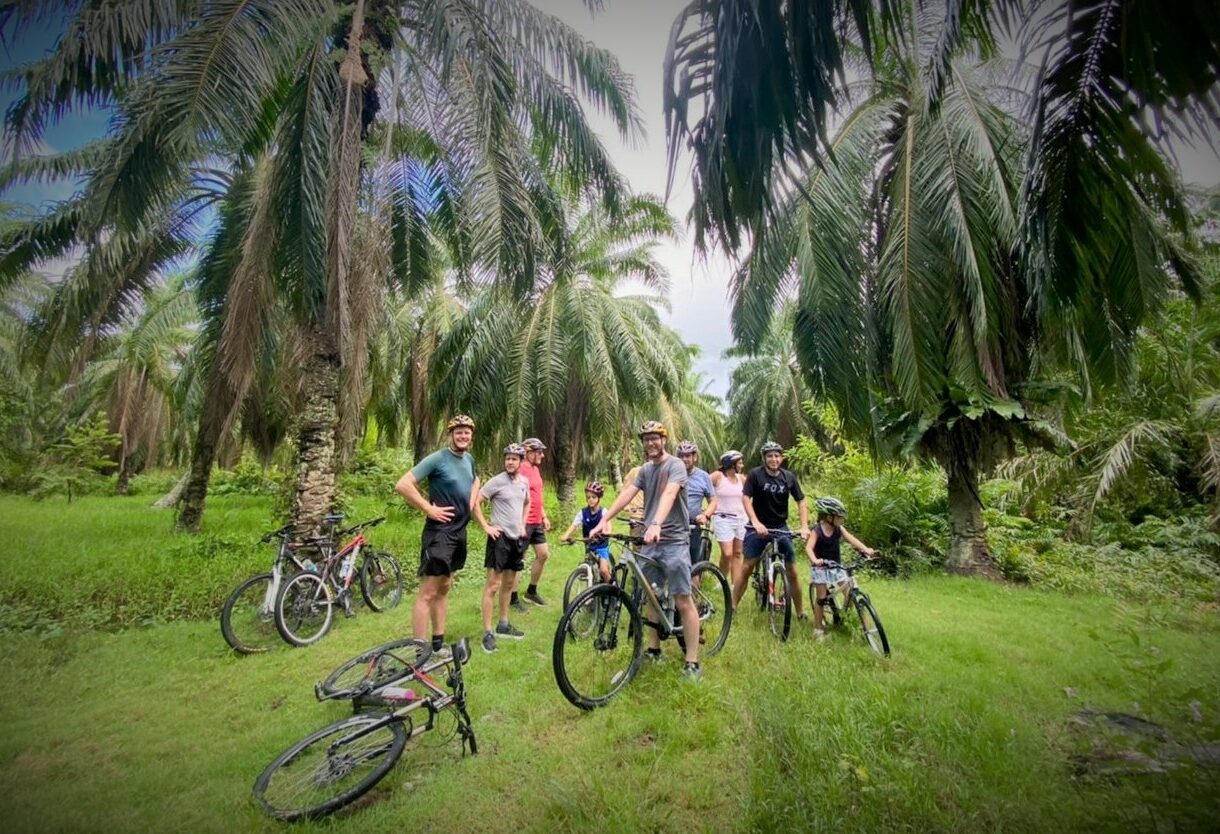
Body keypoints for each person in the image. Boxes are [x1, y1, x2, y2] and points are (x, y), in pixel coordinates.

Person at [591, 421, 703, 681]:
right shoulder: (645, 470)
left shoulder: (675, 465)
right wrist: (604, 520)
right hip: (651, 541)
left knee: (682, 598)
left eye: (655, 437)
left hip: (673, 540)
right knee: (650, 593)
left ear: (664, 440)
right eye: (646, 439)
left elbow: (670, 493)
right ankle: (653, 649)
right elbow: (628, 493)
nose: (650, 442)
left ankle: (692, 662)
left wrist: (655, 523)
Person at [395, 414, 480, 655]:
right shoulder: (438, 459)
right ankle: (420, 653)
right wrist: (427, 508)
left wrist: (471, 502)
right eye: (458, 432)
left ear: (471, 436)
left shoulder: (469, 460)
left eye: (467, 432)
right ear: (450, 434)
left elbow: (476, 480)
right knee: (428, 593)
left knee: (444, 586)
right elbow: (403, 484)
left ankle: (437, 644)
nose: (463, 435)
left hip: (458, 533)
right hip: (439, 534)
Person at [732, 441, 811, 620]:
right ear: (764, 458)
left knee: (792, 570)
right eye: (770, 456)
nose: (774, 459)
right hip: (757, 526)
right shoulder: (755, 475)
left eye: (777, 456)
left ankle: (800, 612)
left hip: (780, 527)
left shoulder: (789, 477)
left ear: (781, 458)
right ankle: (733, 606)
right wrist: (755, 521)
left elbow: (801, 501)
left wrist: (804, 525)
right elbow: (746, 498)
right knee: (747, 567)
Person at [473, 443, 531, 653]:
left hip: (516, 539)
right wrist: (486, 527)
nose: (509, 461)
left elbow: (527, 503)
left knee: (509, 584)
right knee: (493, 586)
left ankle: (503, 624)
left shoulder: (523, 482)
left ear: (521, 462)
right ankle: (488, 632)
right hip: (499, 540)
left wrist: (523, 524)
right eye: (507, 458)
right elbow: (476, 502)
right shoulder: (496, 481)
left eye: (514, 458)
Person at [807, 496, 875, 639]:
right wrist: (814, 560)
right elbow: (809, 547)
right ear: (829, 517)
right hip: (820, 568)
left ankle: (859, 625)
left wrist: (865, 549)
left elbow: (851, 538)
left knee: (849, 592)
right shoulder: (817, 531)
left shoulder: (839, 529)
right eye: (839, 517)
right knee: (821, 598)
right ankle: (818, 630)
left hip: (836, 566)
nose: (842, 519)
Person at [511, 437, 552, 609]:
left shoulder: (535, 470)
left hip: (536, 521)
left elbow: (537, 495)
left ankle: (531, 591)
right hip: (524, 521)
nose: (542, 455)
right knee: (518, 560)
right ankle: (512, 598)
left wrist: (543, 516)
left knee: (543, 554)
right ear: (528, 453)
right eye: (539, 452)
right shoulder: (520, 470)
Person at [559, 481, 612, 582]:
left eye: (594, 497)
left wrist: (607, 532)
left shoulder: (604, 511)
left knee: (604, 570)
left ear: (599, 498)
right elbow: (574, 525)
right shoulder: (583, 513)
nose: (591, 500)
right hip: (589, 545)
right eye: (588, 497)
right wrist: (566, 535)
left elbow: (608, 526)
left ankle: (612, 587)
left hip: (601, 545)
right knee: (589, 569)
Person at [708, 449, 747, 586]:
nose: (742, 466)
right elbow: (703, 485)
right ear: (731, 464)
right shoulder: (718, 476)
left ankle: (734, 586)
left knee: (737, 553)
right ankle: (722, 578)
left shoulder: (741, 479)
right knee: (727, 553)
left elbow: (750, 495)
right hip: (723, 518)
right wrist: (709, 507)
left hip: (741, 519)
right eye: (740, 463)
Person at [676, 440, 714, 565]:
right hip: (673, 525)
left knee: (694, 564)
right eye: (681, 456)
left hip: (693, 526)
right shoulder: (671, 474)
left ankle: (694, 585)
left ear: (694, 457)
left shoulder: (703, 477)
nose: (684, 459)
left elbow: (713, 501)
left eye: (687, 456)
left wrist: (705, 515)